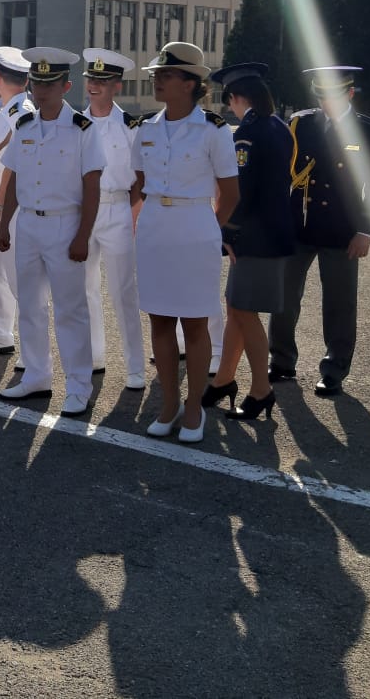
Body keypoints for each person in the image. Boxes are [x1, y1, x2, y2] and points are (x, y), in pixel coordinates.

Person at [131, 41, 240, 443]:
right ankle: (169, 403)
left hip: (195, 226)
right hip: (155, 228)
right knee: (160, 320)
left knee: (195, 323)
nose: (157, 80)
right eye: (157, 74)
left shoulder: (213, 129)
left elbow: (231, 193)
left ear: (191, 83)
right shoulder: (145, 128)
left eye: (167, 74)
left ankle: (194, 407)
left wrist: (209, 229)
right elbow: (139, 183)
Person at [0, 47, 106, 414]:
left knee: (70, 310)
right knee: (30, 305)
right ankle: (36, 376)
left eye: (50, 84)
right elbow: (15, 178)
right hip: (28, 224)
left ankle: (78, 385)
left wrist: (83, 235)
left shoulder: (82, 129)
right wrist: (5, 224)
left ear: (66, 86)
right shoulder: (25, 126)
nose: (41, 91)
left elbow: (92, 186)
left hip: (65, 224)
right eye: (37, 84)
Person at [268, 66, 370, 397]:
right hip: (300, 224)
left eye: (333, 96)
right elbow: (283, 171)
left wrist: (365, 230)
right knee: (284, 296)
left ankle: (334, 369)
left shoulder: (368, 130)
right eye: (321, 96)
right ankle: (281, 360)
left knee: (339, 302)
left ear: (349, 94)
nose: (327, 103)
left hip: (343, 229)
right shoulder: (302, 123)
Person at [202, 62, 296, 421]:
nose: (230, 107)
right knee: (236, 307)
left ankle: (261, 390)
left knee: (243, 311)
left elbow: (240, 191)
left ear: (237, 97)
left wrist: (226, 232)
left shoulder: (248, 133)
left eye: (229, 100)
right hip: (271, 233)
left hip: (254, 237)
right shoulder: (278, 126)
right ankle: (224, 379)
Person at [80, 48, 147, 390]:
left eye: (102, 81)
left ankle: (135, 366)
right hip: (83, 211)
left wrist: (134, 213)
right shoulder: (76, 124)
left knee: (123, 291)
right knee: (84, 288)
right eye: (91, 79)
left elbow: (141, 176)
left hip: (118, 208)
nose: (94, 85)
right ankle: (94, 356)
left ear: (116, 86)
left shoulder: (131, 126)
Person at [0, 47, 35, 358]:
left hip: (8, 204)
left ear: (0, 79)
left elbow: (13, 168)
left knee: (16, 278)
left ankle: (31, 350)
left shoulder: (20, 113)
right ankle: (1, 332)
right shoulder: (8, 110)